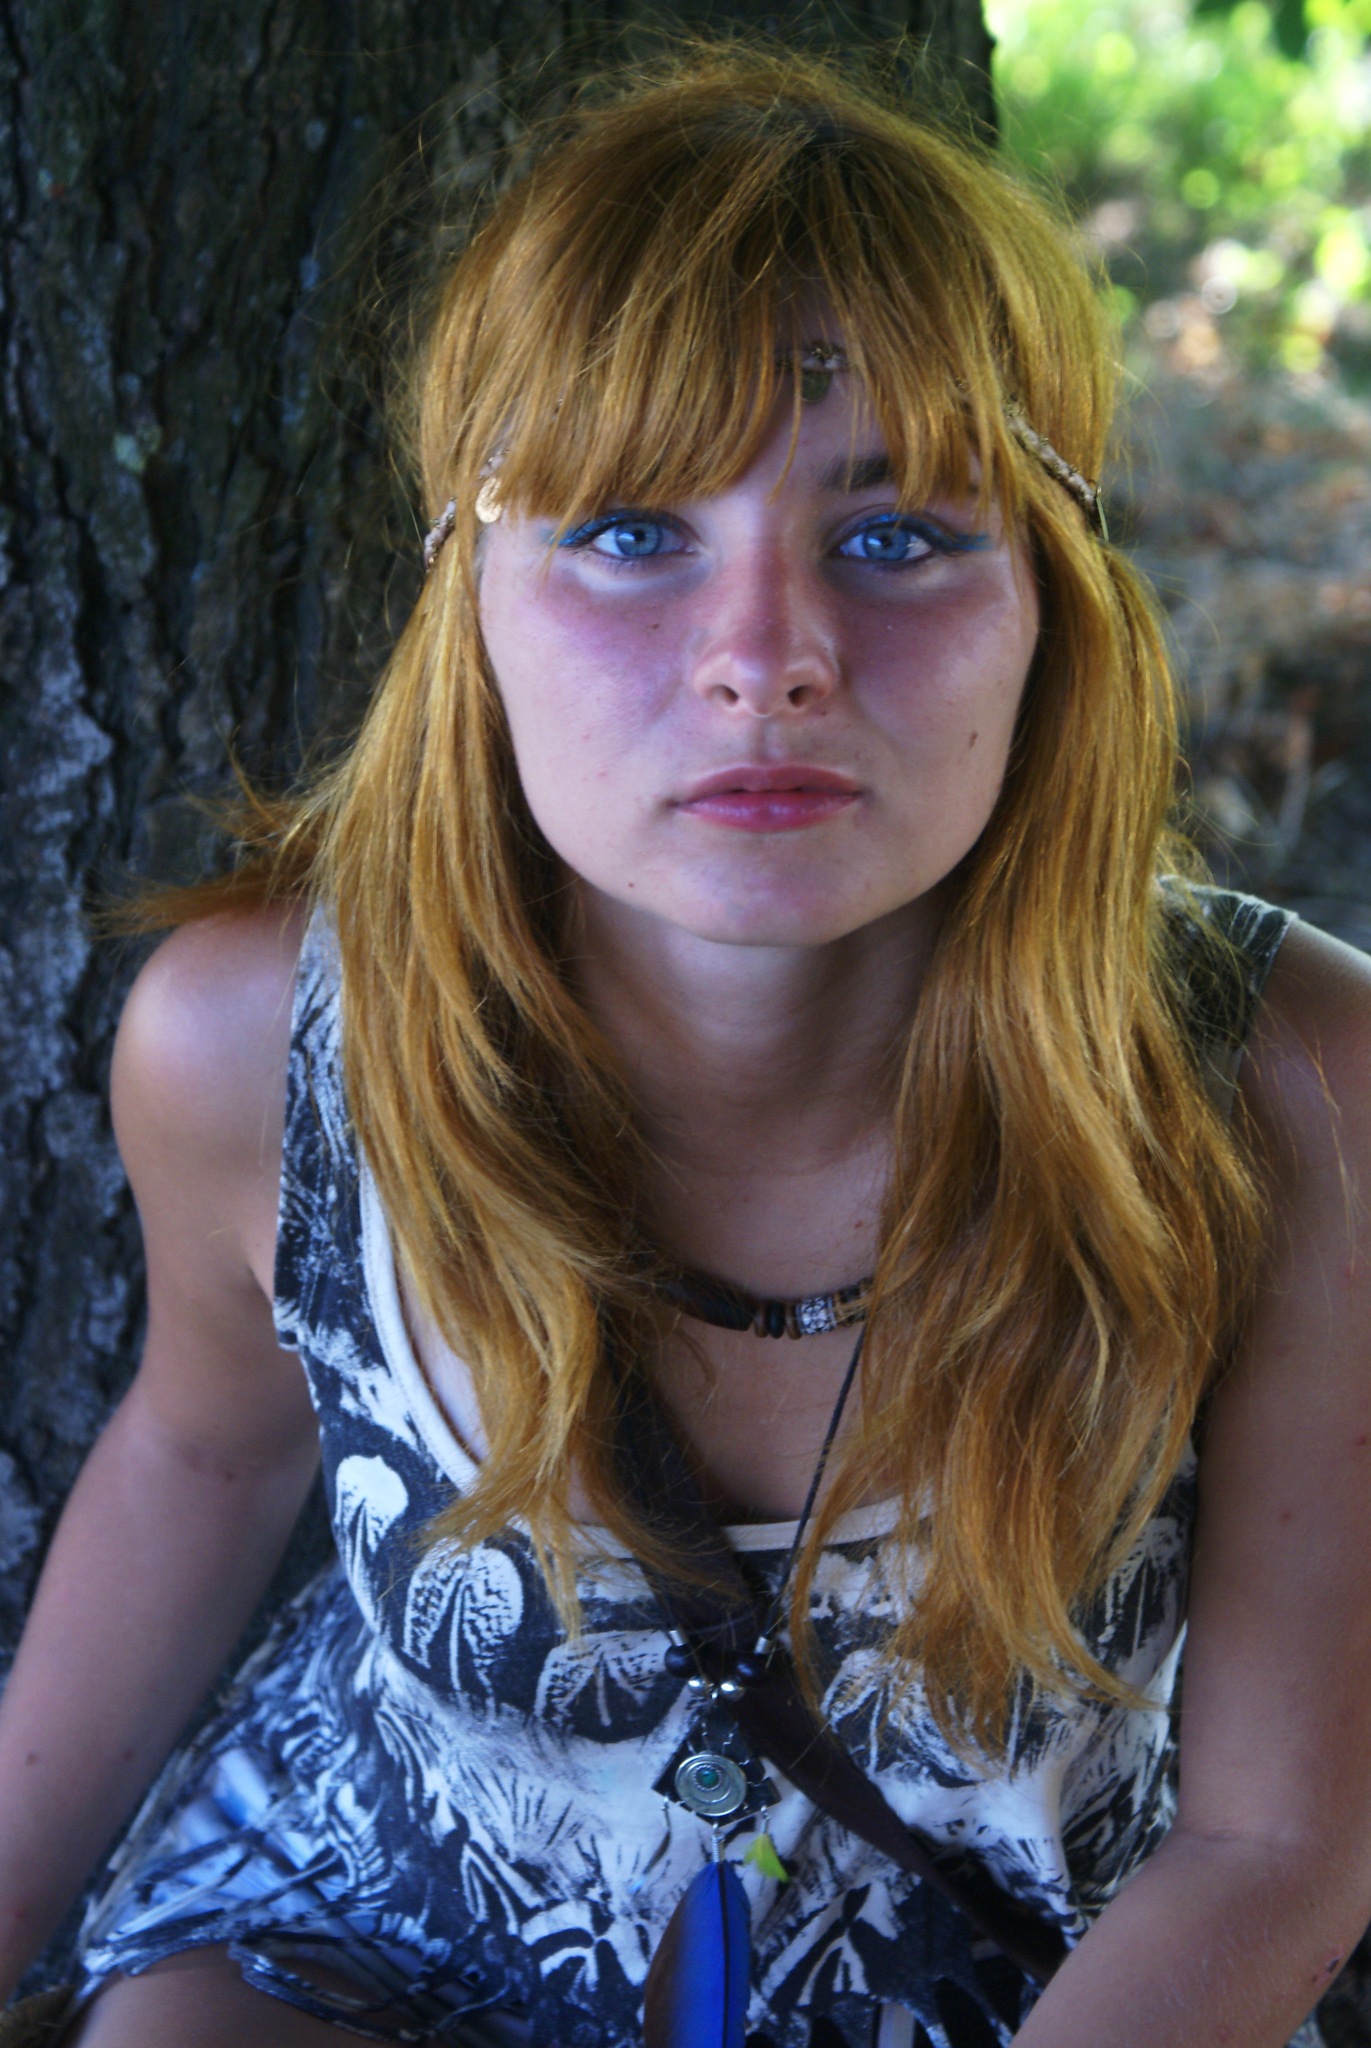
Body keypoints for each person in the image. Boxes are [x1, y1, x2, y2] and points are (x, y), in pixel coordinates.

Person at [1, 40, 1369, 2048]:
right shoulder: (265, 1049)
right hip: (367, 1934)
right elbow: (202, 1448)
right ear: (472, 600)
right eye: (632, 531)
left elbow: (1269, 1847)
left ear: (1052, 607)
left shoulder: (1286, 1092)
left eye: (895, 534)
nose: (765, 657)